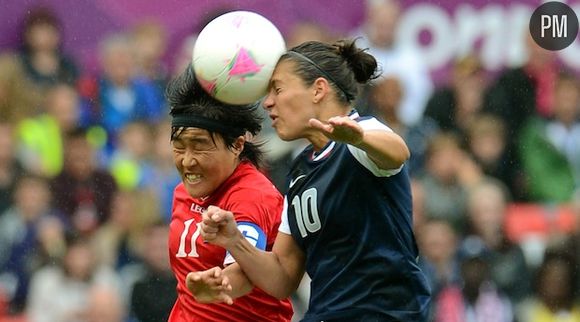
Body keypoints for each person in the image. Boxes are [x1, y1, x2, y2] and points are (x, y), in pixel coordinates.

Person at [189, 39, 431, 321]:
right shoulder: (300, 172)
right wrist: (234, 241)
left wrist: (360, 139)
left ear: (318, 89)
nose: (267, 102)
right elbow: (282, 276)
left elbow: (397, 153)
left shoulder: (363, 133)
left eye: (277, 89)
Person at [164, 64, 293, 321]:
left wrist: (217, 284)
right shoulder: (184, 191)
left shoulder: (252, 196)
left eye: (199, 147)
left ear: (237, 145)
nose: (187, 161)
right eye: (179, 147)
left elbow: (243, 273)